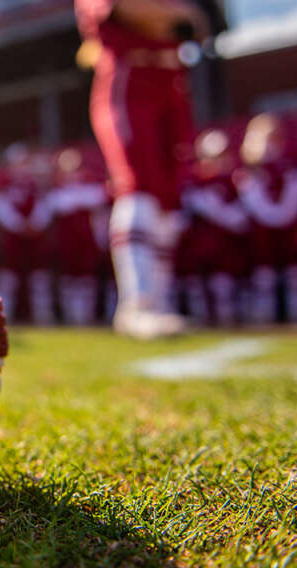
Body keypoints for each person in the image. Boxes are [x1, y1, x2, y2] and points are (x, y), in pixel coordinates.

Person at [75, 0, 209, 338]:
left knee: (168, 196)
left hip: (171, 82)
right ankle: (137, 305)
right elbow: (134, 10)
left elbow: (199, 27)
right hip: (129, 79)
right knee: (138, 185)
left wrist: (180, 18)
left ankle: (159, 303)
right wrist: (180, 15)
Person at [234, 114, 297, 323]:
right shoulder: (249, 172)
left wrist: (284, 216)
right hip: (262, 236)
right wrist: (276, 216)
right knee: (264, 279)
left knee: (295, 277)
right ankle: (265, 319)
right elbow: (255, 205)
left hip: (289, 233)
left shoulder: (290, 168)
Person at [177, 129, 249, 325]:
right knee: (200, 292)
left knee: (227, 291)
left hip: (229, 246)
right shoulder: (195, 182)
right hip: (202, 247)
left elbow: (241, 219)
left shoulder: (235, 180)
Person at [0, 144, 53, 324]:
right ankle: (3, 315)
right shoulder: (4, 183)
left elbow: (44, 205)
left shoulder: (36, 183)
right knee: (9, 276)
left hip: (34, 235)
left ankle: (43, 317)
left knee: (39, 277)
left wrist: (34, 222)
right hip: (13, 236)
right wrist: (18, 224)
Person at [45, 147, 109, 324]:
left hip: (85, 237)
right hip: (67, 239)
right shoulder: (57, 185)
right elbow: (56, 205)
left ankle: (86, 314)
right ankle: (71, 314)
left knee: (87, 276)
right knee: (68, 276)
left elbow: (98, 198)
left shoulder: (89, 181)